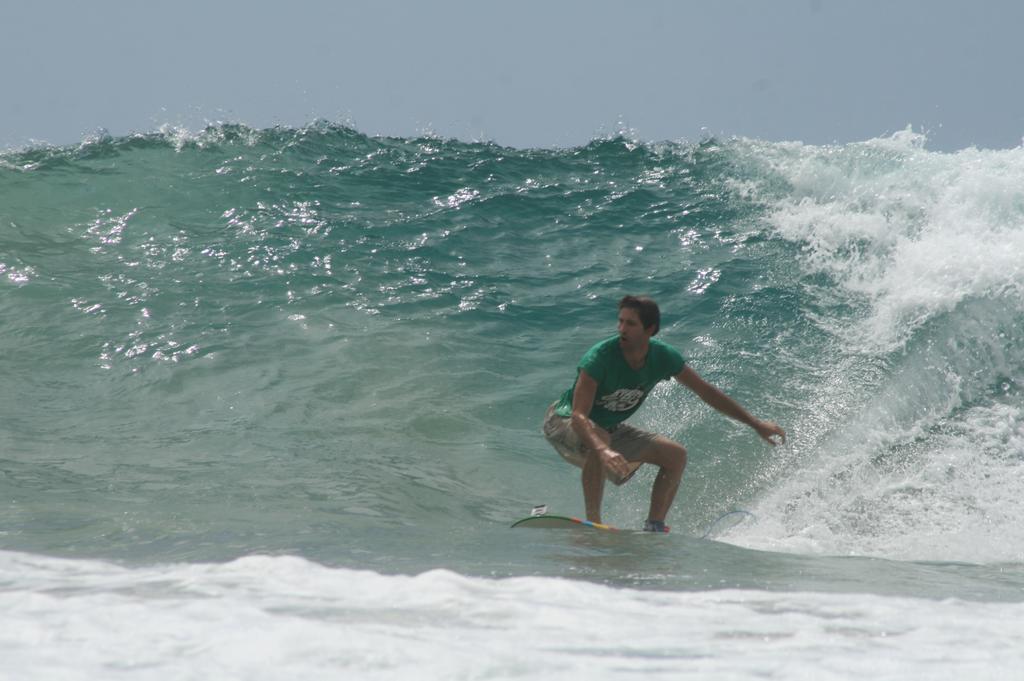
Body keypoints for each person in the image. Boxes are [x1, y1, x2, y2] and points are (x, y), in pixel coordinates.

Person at [542, 295, 786, 532]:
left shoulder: (663, 357)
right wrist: (603, 449)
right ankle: (593, 523)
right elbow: (579, 416)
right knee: (600, 439)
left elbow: (707, 393)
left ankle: (654, 526)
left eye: (630, 323)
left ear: (650, 329)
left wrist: (755, 424)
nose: (622, 329)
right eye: (620, 321)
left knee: (675, 455)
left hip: (608, 429)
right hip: (563, 422)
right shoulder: (599, 358)